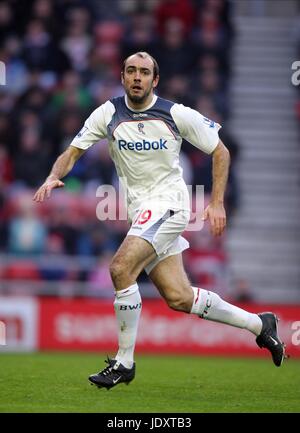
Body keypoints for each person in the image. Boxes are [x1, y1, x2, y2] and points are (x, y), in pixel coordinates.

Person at [33, 52, 287, 390]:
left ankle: (124, 362)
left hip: (168, 205)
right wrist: (53, 176)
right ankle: (260, 324)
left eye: (145, 72)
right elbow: (74, 151)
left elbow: (221, 151)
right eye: (131, 71)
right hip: (142, 213)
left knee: (120, 268)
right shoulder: (108, 113)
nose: (137, 77)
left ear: (156, 80)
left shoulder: (175, 113)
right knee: (179, 297)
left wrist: (216, 203)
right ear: (122, 77)